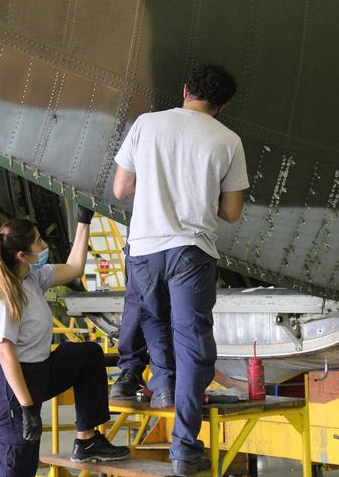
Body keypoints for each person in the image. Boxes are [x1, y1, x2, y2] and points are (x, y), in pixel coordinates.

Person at [112, 63, 248, 476]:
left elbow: (121, 188)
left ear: (185, 89)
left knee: (154, 323)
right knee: (194, 346)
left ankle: (162, 386)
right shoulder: (228, 140)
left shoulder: (147, 124)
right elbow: (231, 212)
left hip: (144, 249)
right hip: (191, 252)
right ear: (221, 106)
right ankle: (184, 449)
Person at [0, 208, 130, 477]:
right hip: (9, 386)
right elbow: (5, 352)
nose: (45, 245)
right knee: (19, 464)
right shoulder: (6, 294)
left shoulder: (32, 278)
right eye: (39, 242)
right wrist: (27, 408)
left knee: (87, 355)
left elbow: (74, 268)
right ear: (22, 256)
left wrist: (83, 221)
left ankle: (87, 440)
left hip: (37, 372)